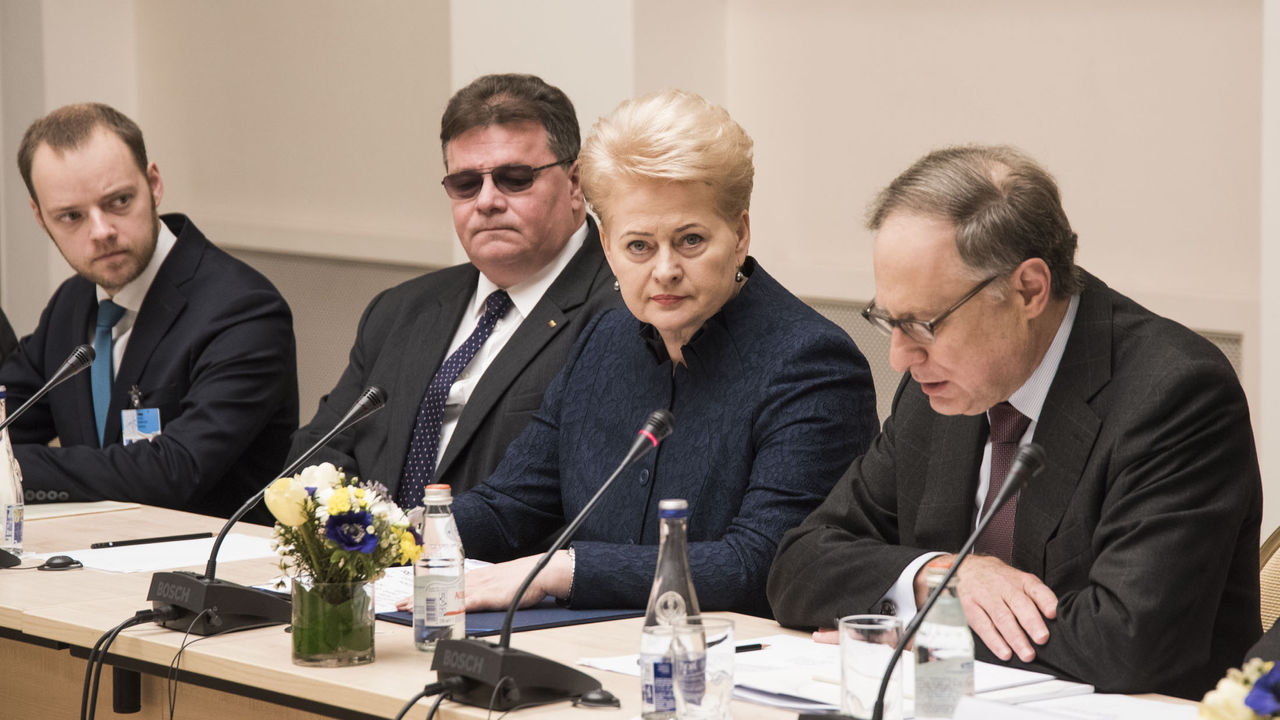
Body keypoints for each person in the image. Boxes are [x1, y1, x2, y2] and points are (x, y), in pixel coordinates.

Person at [766, 145, 1262, 698]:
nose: (900, 357)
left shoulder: (1174, 391)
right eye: (889, 320)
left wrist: (922, 628)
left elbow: (1127, 640)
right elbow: (800, 566)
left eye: (923, 324)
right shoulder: (941, 386)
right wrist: (940, 575)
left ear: (1028, 289)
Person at [449, 89, 879, 617]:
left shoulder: (812, 365)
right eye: (639, 246)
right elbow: (509, 507)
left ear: (740, 234)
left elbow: (763, 564)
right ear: (607, 247)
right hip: (586, 645)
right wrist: (372, 531)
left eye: (691, 240)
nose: (666, 269)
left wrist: (564, 569)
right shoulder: (600, 342)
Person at [293, 74, 617, 507]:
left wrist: (422, 546)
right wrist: (368, 542)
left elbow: (589, 503)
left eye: (514, 178)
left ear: (575, 183)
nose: (487, 200)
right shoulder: (400, 309)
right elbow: (317, 454)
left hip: (506, 571)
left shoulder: (620, 311)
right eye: (466, 184)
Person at [1, 102, 298, 517]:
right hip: (93, 561)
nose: (101, 231)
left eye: (119, 201)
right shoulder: (73, 302)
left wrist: (12, 469)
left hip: (208, 571)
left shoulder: (243, 310)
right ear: (40, 217)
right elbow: (9, 419)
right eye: (71, 216)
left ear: (154, 184)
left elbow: (175, 471)